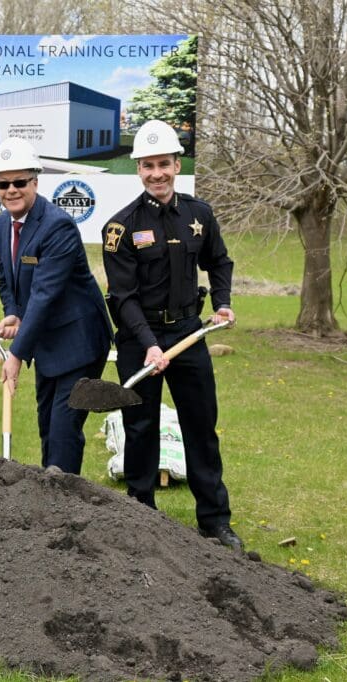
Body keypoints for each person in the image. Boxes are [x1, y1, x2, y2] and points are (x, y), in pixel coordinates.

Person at [101, 119, 242, 551]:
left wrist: (221, 301)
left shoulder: (200, 215)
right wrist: (149, 346)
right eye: (147, 165)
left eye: (163, 163)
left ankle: (214, 520)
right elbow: (121, 297)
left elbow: (220, 262)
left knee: (201, 425)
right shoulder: (120, 227)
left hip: (188, 332)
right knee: (140, 427)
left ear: (177, 164)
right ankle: (141, 512)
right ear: (138, 169)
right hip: (137, 337)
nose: (156, 173)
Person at [0, 137, 113, 475]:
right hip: (47, 341)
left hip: (80, 340)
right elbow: (8, 279)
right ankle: (52, 494)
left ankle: (64, 499)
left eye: (19, 182)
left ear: (35, 182)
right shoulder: (2, 225)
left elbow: (45, 295)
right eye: (3, 183)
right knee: (47, 423)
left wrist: (15, 355)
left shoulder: (58, 226)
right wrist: (12, 310)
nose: (11, 190)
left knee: (63, 428)